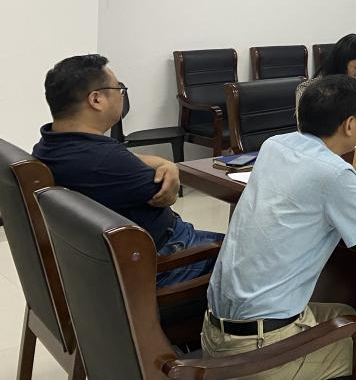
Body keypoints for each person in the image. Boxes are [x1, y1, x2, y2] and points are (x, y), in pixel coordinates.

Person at [204, 75, 356, 380]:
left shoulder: (275, 146)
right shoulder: (334, 173)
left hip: (216, 330)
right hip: (259, 349)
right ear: (349, 125)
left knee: (345, 313)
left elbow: (310, 199)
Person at [33, 54, 222, 286]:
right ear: (96, 99)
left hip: (105, 264)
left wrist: (166, 164)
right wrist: (170, 172)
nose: (121, 95)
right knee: (251, 252)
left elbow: (129, 159)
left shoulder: (50, 146)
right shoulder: (106, 160)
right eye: (119, 89)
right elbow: (167, 195)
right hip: (166, 260)